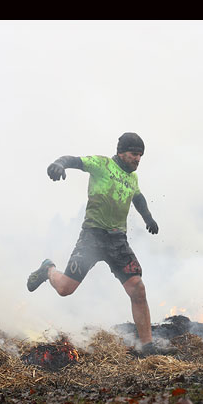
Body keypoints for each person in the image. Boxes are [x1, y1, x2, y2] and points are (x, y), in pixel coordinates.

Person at [27, 132, 161, 357]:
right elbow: (75, 161)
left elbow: (138, 198)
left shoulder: (132, 178)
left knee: (137, 287)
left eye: (141, 156)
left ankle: (147, 347)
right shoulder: (102, 164)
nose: (138, 159)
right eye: (134, 154)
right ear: (121, 152)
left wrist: (149, 218)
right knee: (64, 289)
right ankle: (48, 269)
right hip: (93, 237)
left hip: (118, 240)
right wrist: (59, 164)